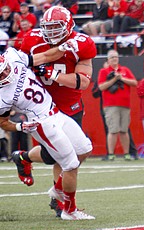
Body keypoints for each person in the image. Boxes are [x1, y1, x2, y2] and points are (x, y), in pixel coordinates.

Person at [18, 6, 97, 218]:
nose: (52, 32)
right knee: (64, 157)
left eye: (57, 27)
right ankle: (63, 203)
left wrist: (52, 74)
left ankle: (25, 158)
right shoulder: (31, 40)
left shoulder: (82, 43)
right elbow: (23, 67)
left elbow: (82, 82)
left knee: (75, 152)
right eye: (49, 28)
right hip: (42, 107)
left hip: (70, 104)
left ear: (69, 26)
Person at [0, 44, 94, 220]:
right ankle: (69, 210)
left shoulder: (13, 57)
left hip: (56, 112)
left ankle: (57, 189)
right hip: (41, 123)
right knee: (71, 165)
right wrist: (20, 127)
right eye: (1, 74)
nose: (6, 74)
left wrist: (64, 47)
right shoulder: (1, 96)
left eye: (5, 69)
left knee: (85, 148)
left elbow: (44, 56)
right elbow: (3, 123)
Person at [98, 49, 138, 161]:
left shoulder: (124, 70)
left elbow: (134, 83)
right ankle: (111, 153)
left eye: (116, 57)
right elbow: (101, 87)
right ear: (108, 60)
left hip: (125, 104)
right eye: (112, 57)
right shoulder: (104, 71)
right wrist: (114, 79)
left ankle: (126, 153)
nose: (114, 59)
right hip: (110, 105)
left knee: (124, 130)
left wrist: (122, 78)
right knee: (113, 130)